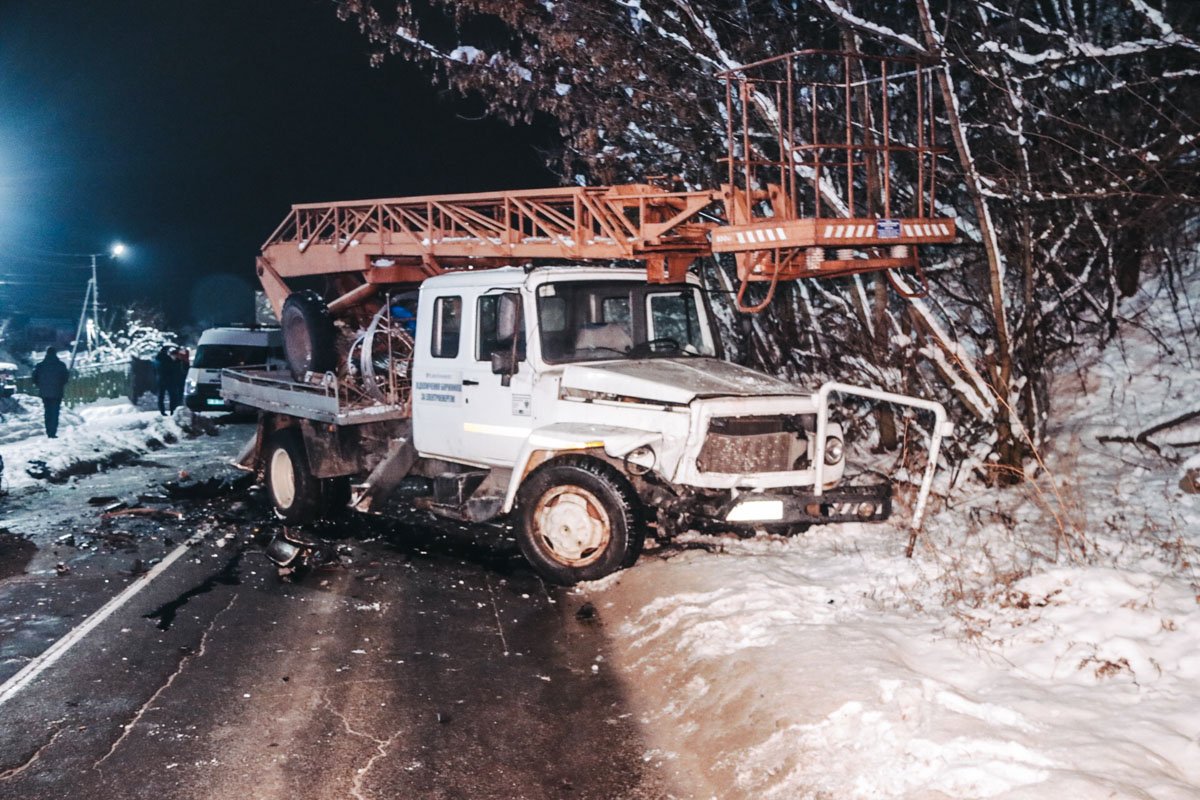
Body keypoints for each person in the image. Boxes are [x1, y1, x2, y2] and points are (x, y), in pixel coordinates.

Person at [32, 346, 69, 438]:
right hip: (57, 392)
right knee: (55, 412)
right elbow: (65, 378)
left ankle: (48, 430)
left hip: (45, 392)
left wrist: (41, 386)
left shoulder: (40, 365)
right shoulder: (61, 365)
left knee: (47, 411)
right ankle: (53, 431)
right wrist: (60, 385)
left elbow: (34, 378)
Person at [155, 345, 181, 415]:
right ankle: (171, 410)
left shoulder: (160, 359)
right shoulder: (167, 359)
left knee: (163, 396)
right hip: (168, 380)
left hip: (163, 380)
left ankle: (165, 411)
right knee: (171, 396)